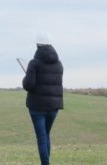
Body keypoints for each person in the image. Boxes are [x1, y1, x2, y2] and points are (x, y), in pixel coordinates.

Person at [22, 32, 64, 165]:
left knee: (41, 137)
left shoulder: (34, 63)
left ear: (37, 46)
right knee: (46, 135)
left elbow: (28, 85)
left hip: (37, 106)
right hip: (54, 106)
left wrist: (26, 76)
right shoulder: (59, 64)